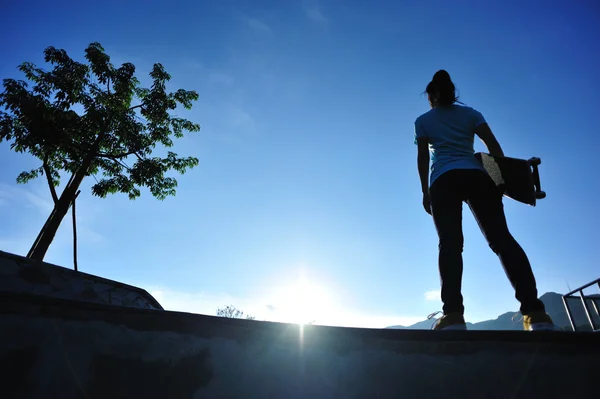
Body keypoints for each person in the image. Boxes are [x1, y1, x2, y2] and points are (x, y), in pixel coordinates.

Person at [414, 70, 554, 331]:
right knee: (502, 239)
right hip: (478, 177)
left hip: (443, 181)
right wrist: (501, 180)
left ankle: (453, 315)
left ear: (431, 95)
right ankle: (535, 314)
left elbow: (423, 157)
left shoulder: (423, 120)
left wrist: (425, 191)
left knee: (451, 244)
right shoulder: (471, 114)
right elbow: (494, 147)